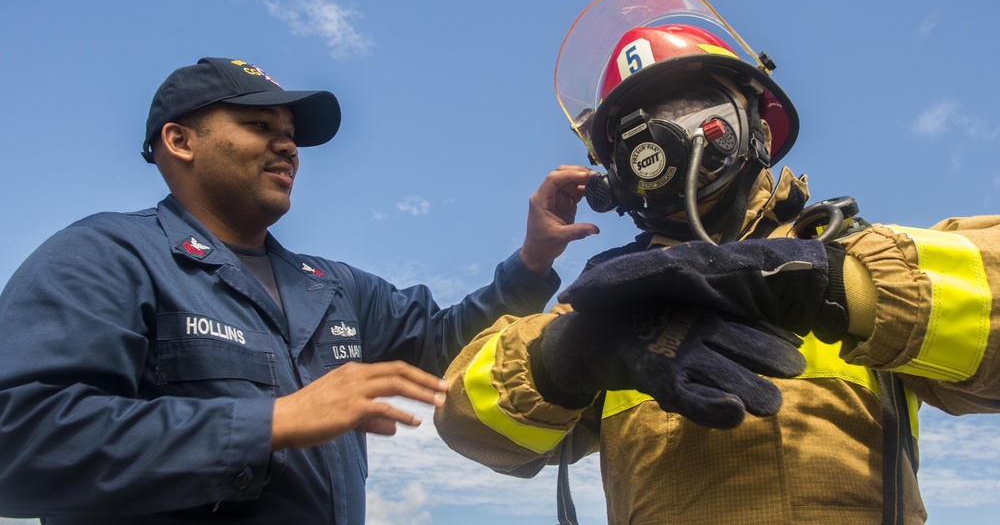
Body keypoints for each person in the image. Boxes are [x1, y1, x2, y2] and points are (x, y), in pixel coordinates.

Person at [434, 0, 1000, 525]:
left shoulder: (857, 250)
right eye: (635, 126)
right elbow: (465, 420)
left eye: (686, 104)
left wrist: (841, 286)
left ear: (756, 124)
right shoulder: (615, 302)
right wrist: (569, 351)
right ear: (614, 172)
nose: (660, 135)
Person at [0, 56, 599, 524]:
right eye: (259, 126)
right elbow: (18, 438)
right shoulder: (106, 256)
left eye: (290, 134)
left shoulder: (332, 286)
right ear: (179, 142)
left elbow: (446, 345)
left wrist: (532, 259)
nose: (288, 146)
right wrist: (271, 422)